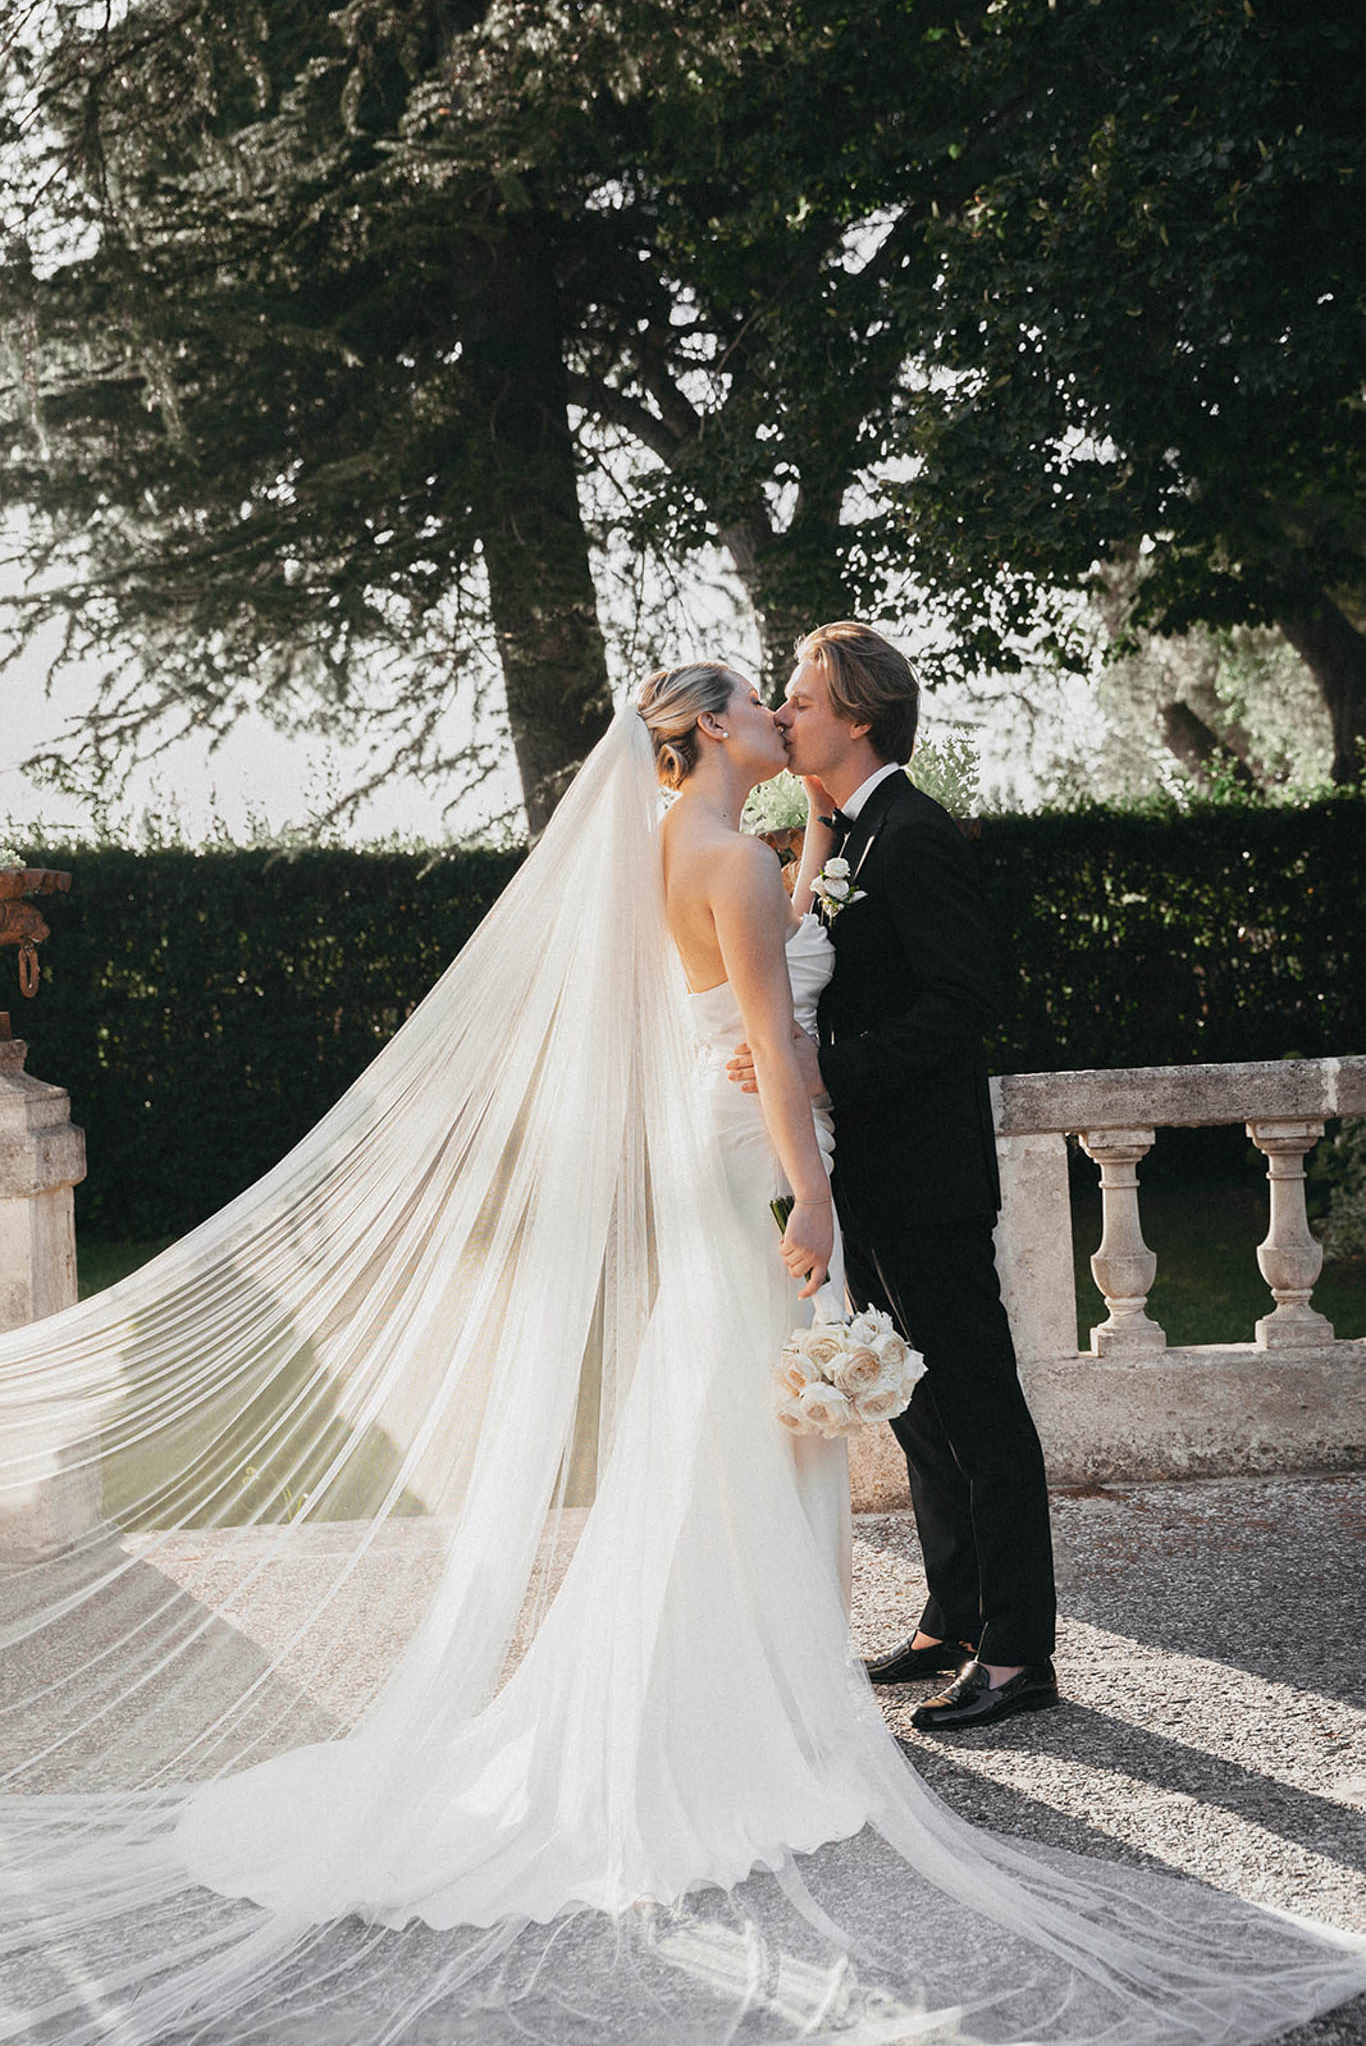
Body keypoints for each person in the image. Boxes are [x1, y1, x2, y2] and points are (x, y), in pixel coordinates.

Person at [0, 669, 1364, 2045]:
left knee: (720, 1415)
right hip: (770, 1169)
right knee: (755, 1426)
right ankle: (764, 1707)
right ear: (716, 729)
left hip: (723, 1166)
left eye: (796, 701)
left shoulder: (674, 843)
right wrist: (812, 1189)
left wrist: (807, 886)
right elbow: (771, 1038)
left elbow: (747, 996)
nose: (780, 716)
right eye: (761, 706)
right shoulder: (735, 860)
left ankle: (808, 1666)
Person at [731, 622, 1057, 1730]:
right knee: (911, 1405)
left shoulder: (914, 836)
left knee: (976, 1404)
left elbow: (963, 1001)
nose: (781, 714)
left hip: (926, 1172)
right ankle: (951, 1615)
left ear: (857, 716)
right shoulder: (843, 832)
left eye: (800, 700)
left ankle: (1017, 1651)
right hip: (862, 1171)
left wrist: (826, 1071)